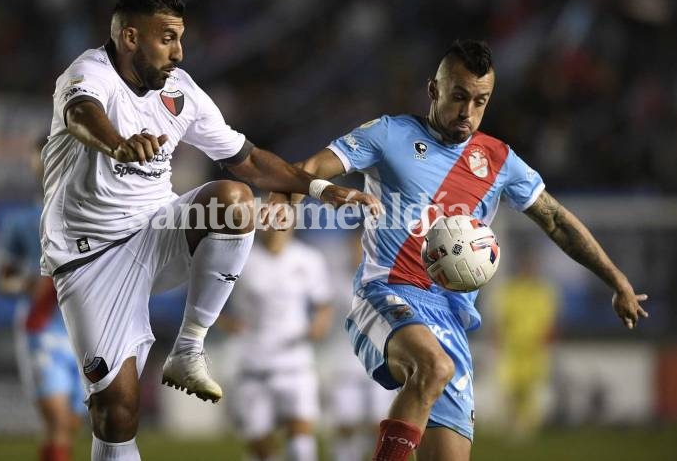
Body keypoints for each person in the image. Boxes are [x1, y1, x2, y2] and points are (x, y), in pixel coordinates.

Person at [40, 0, 377, 461]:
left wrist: (322, 188)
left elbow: (251, 159)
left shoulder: (182, 92)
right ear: (130, 37)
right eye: (167, 38)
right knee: (117, 412)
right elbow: (81, 115)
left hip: (157, 231)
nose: (178, 52)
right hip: (89, 257)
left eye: (181, 38)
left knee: (236, 199)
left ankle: (189, 348)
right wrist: (118, 143)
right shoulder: (87, 73)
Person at [271, 39, 649, 461]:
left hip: (450, 318)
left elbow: (556, 219)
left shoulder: (500, 160)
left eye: (480, 101)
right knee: (433, 367)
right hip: (385, 294)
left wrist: (616, 280)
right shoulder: (389, 133)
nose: (467, 112)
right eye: (459, 97)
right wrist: (292, 203)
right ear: (433, 90)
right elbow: (305, 171)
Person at [0, 137, 85, 461]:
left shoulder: (91, 213)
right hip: (42, 328)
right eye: (40, 158)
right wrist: (25, 283)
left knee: (69, 424)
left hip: (84, 331)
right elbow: (2, 281)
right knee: (58, 420)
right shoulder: (20, 221)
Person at [219, 225, 333, 461]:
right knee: (259, 443)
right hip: (252, 362)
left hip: (295, 361)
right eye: (269, 223)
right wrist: (226, 323)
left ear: (291, 226)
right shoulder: (240, 260)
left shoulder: (308, 258)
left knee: (301, 436)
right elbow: (208, 299)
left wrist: (319, 326)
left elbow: (323, 303)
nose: (276, 230)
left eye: (282, 223)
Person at [322, 232, 397, 461]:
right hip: (344, 358)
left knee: (380, 424)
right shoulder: (335, 281)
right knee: (346, 422)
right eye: (355, 247)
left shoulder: (384, 280)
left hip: (378, 358)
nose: (359, 252)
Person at [491, 248, 558, 439]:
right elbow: (500, 319)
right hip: (511, 348)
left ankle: (526, 429)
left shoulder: (544, 291)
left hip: (534, 349)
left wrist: (548, 340)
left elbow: (550, 320)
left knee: (530, 389)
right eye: (526, 266)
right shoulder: (510, 290)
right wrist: (497, 341)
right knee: (509, 387)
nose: (529, 269)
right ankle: (510, 425)